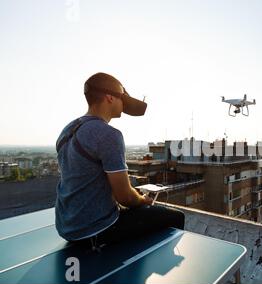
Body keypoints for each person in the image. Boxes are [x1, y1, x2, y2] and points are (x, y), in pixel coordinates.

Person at [55, 72, 184, 250]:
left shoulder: (67, 130)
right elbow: (125, 197)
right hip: (95, 229)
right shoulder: (108, 134)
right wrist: (142, 200)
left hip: (66, 226)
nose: (124, 104)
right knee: (176, 217)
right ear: (109, 97)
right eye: (121, 98)